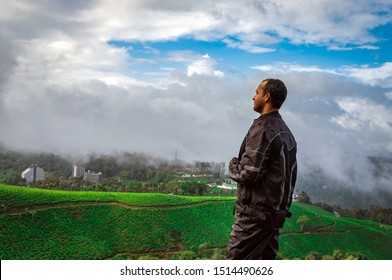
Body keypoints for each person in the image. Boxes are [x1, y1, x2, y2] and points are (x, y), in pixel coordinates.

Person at [225, 78, 297, 260]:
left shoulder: (263, 128)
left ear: (266, 97)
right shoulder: (287, 133)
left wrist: (232, 165)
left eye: (257, 92)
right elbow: (291, 176)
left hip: (254, 217)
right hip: (272, 218)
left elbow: (248, 172)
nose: (253, 97)